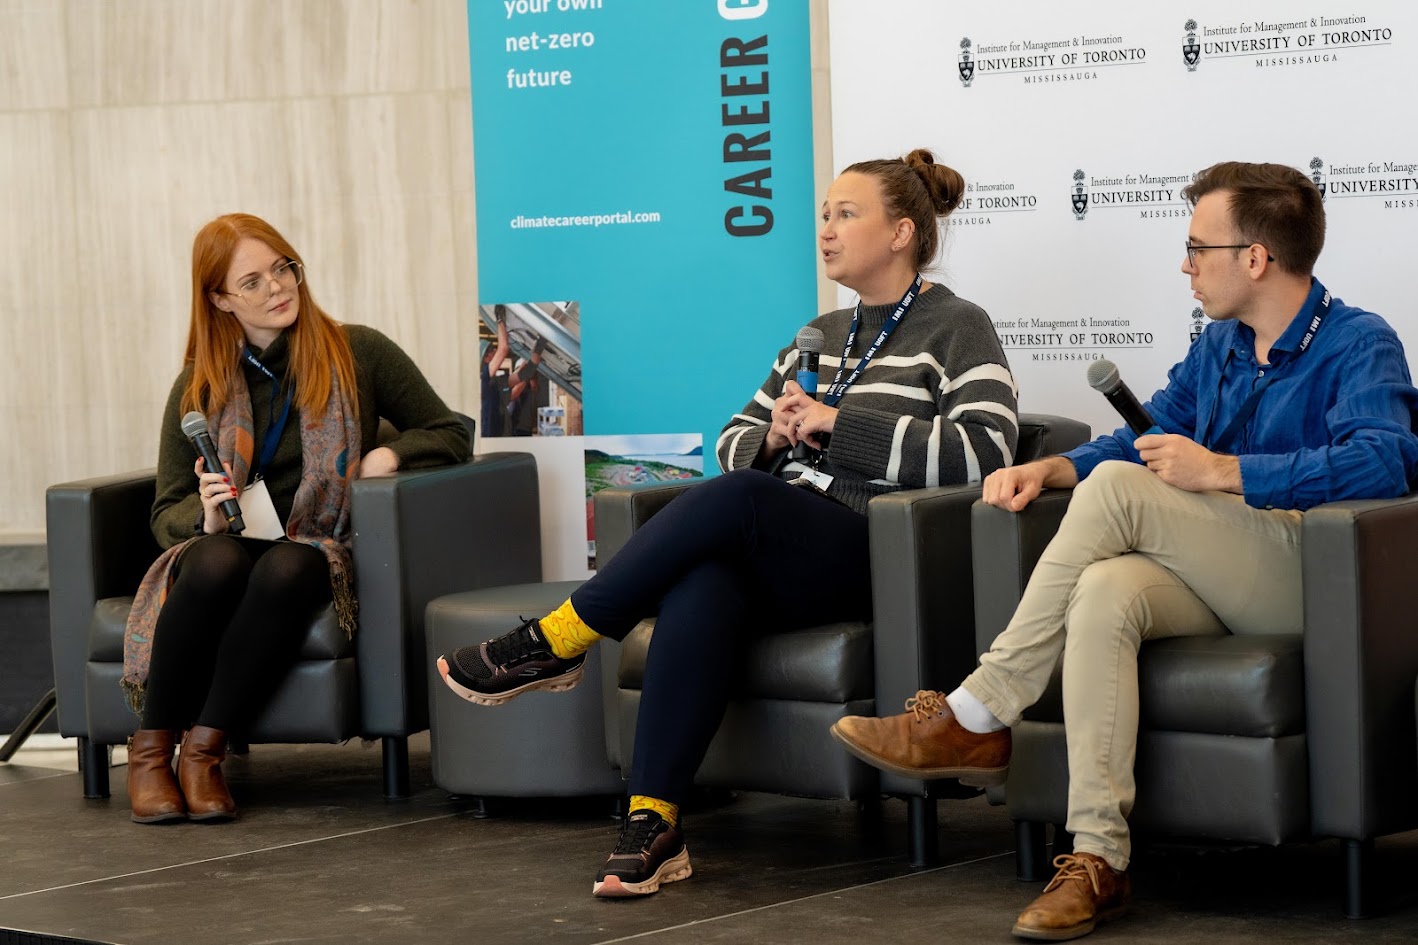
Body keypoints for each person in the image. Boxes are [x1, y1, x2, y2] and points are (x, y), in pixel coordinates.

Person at [829, 161, 1418, 941]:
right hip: (1221, 570)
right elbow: (1148, 434)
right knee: (1105, 592)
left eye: (1198, 248)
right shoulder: (1221, 347)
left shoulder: (1358, 341)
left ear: (1255, 258)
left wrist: (1226, 471)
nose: (1185, 265)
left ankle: (979, 710)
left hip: (1312, 572)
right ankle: (1098, 857)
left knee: (1116, 491)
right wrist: (1052, 468)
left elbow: (1387, 460)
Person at [436, 149, 1020, 898]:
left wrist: (838, 425)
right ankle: (653, 824)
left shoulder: (958, 327)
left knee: (740, 497)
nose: (826, 230)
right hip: (787, 538)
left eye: (846, 215)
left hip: (878, 545)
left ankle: (558, 639)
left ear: (902, 231)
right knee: (704, 584)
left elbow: (983, 452)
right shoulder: (821, 333)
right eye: (824, 216)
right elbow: (734, 437)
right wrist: (774, 437)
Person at [123, 213, 471, 825]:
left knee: (286, 567)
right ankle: (150, 755)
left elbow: (451, 431)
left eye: (282, 268)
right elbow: (164, 512)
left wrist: (387, 455)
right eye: (252, 281)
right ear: (219, 299)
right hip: (228, 540)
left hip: (319, 541)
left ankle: (202, 754)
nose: (277, 287)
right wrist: (204, 517)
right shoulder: (198, 386)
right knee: (216, 560)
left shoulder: (358, 351)